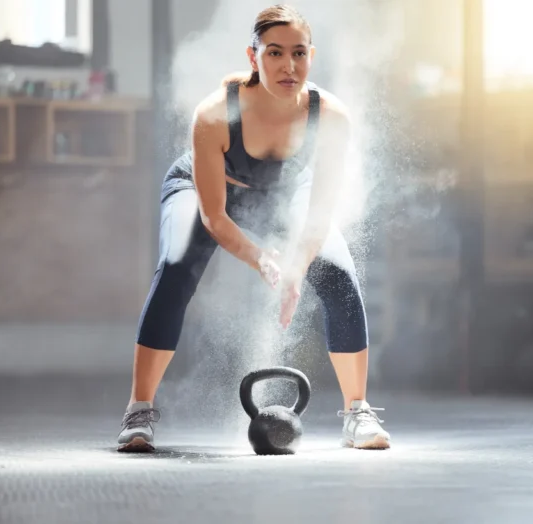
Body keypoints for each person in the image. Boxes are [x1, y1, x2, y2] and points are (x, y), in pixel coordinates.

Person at [117, 4, 391, 452]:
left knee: (340, 276)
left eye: (298, 53)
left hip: (284, 192)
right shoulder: (214, 114)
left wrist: (296, 268)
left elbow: (318, 214)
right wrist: (261, 259)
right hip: (205, 192)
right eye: (274, 53)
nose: (288, 66)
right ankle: (138, 411)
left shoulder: (331, 117)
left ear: (311, 56)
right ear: (253, 56)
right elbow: (214, 217)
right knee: (176, 267)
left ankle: (357, 411)